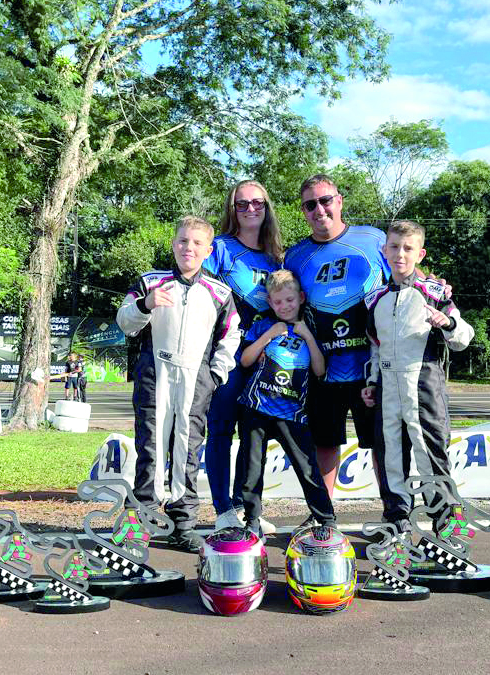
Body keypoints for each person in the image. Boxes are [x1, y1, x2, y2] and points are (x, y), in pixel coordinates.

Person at [117, 215, 241, 549]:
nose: (189, 248)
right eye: (183, 241)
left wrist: (215, 375)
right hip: (154, 372)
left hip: (195, 377)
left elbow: (230, 336)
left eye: (197, 243)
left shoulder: (219, 292)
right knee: (150, 446)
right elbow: (125, 321)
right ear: (174, 244)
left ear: (208, 250)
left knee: (188, 449)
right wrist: (146, 304)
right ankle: (139, 521)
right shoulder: (150, 282)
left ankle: (183, 523)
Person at [362, 220, 474, 532]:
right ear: (385, 251)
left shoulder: (435, 293)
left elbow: (465, 336)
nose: (400, 254)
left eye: (408, 248)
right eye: (394, 247)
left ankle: (445, 527)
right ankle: (397, 523)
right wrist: (372, 382)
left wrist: (448, 323)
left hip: (424, 386)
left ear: (420, 254)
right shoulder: (374, 299)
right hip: (387, 390)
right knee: (390, 459)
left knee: (430, 455)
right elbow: (375, 348)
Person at [284, 175, 390, 502]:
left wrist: (434, 288)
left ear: (340, 200)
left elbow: (406, 273)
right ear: (303, 211)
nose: (319, 209)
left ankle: (394, 515)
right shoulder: (295, 256)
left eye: (325, 200)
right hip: (324, 370)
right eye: (310, 204)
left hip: (372, 367)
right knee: (325, 443)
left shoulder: (373, 239)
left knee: (381, 443)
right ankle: (322, 516)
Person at [203, 180, 283, 531]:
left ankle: (248, 508)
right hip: (226, 354)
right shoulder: (219, 249)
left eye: (257, 202)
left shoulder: (278, 256)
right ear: (231, 209)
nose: (250, 208)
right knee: (220, 429)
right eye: (241, 204)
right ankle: (223, 510)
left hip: (266, 358)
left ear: (267, 207)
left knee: (255, 435)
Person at [237, 269, 335, 537]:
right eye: (278, 302)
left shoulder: (311, 328)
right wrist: (268, 335)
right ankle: (252, 519)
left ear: (301, 298)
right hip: (256, 407)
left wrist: (308, 337)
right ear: (270, 302)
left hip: (293, 412)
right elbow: (245, 360)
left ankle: (325, 519)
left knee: (306, 466)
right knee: (252, 466)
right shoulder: (263, 326)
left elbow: (319, 370)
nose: (284, 306)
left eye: (289, 300)